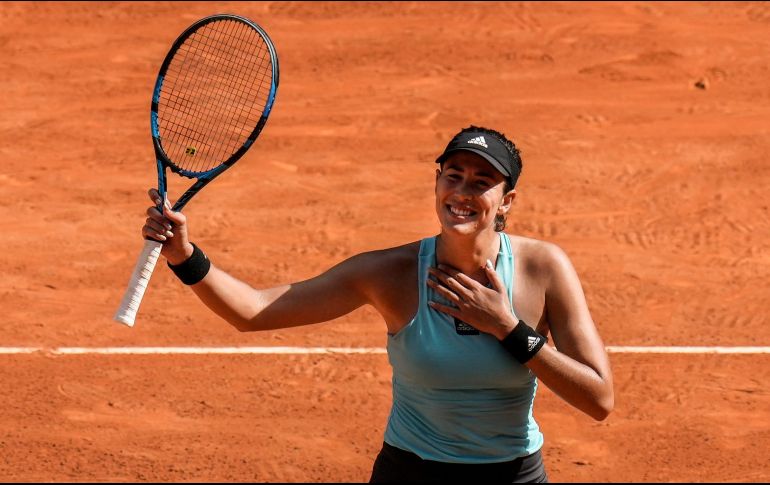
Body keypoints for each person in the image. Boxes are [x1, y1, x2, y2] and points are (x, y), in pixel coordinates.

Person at [141, 125, 614, 483]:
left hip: (512, 475)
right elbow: (254, 311)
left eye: (481, 182)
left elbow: (598, 399)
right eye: (454, 176)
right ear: (437, 185)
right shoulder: (390, 273)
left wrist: (508, 328)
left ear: (506, 200)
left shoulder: (542, 268)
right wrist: (185, 256)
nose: (463, 193)